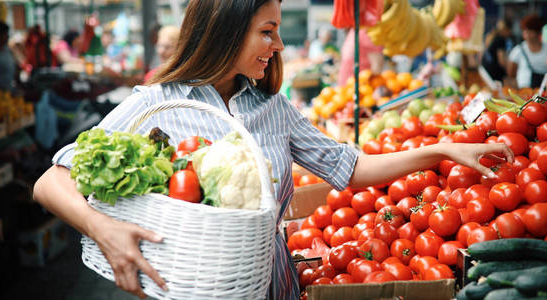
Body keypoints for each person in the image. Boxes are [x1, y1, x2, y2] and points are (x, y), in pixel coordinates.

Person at [33, 1, 514, 299]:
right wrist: (106, 230)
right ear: (225, 31)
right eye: (267, 31)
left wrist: (445, 150)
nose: (279, 44)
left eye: (278, 30)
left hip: (274, 288)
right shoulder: (155, 104)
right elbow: (51, 181)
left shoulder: (271, 107)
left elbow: (352, 166)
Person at [507, 14, 547, 89]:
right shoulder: (518, 50)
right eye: (525, 31)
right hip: (524, 94)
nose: (526, 34)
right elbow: (511, 74)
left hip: (543, 95)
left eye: (530, 31)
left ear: (538, 33)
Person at [482, 18, 514, 82]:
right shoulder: (501, 40)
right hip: (494, 73)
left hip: (486, 69)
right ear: (507, 30)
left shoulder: (492, 37)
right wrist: (510, 72)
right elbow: (501, 60)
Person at [0, 20, 17, 91]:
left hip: (9, 90)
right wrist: (1, 89)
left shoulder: (6, 49)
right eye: (5, 34)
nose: (8, 37)